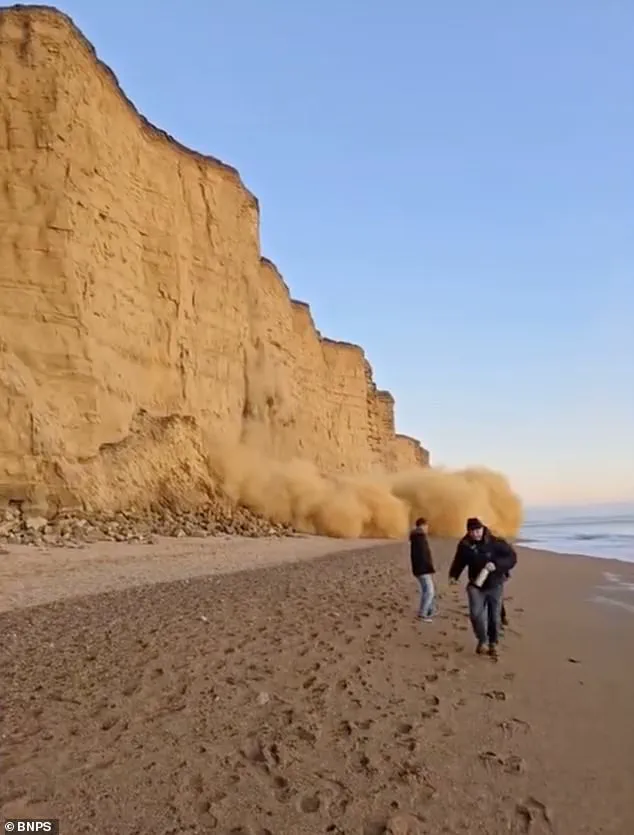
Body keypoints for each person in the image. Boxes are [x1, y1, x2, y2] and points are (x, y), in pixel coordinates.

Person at [449, 517, 517, 657]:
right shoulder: (465, 545)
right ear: (468, 532)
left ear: (483, 528)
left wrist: (497, 565)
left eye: (478, 530)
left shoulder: (496, 542)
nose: (475, 534)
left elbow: (512, 558)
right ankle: (482, 640)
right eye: (472, 531)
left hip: (495, 584)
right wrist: (453, 575)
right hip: (476, 585)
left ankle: (493, 643)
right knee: (475, 614)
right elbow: (459, 561)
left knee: (494, 616)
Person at [409, 517, 436, 621]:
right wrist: (429, 567)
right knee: (429, 591)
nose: (427, 528)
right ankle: (423, 614)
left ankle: (429, 610)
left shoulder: (417, 536)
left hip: (420, 568)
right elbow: (423, 555)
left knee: (428, 590)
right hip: (422, 569)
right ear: (423, 525)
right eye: (426, 526)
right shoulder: (419, 537)